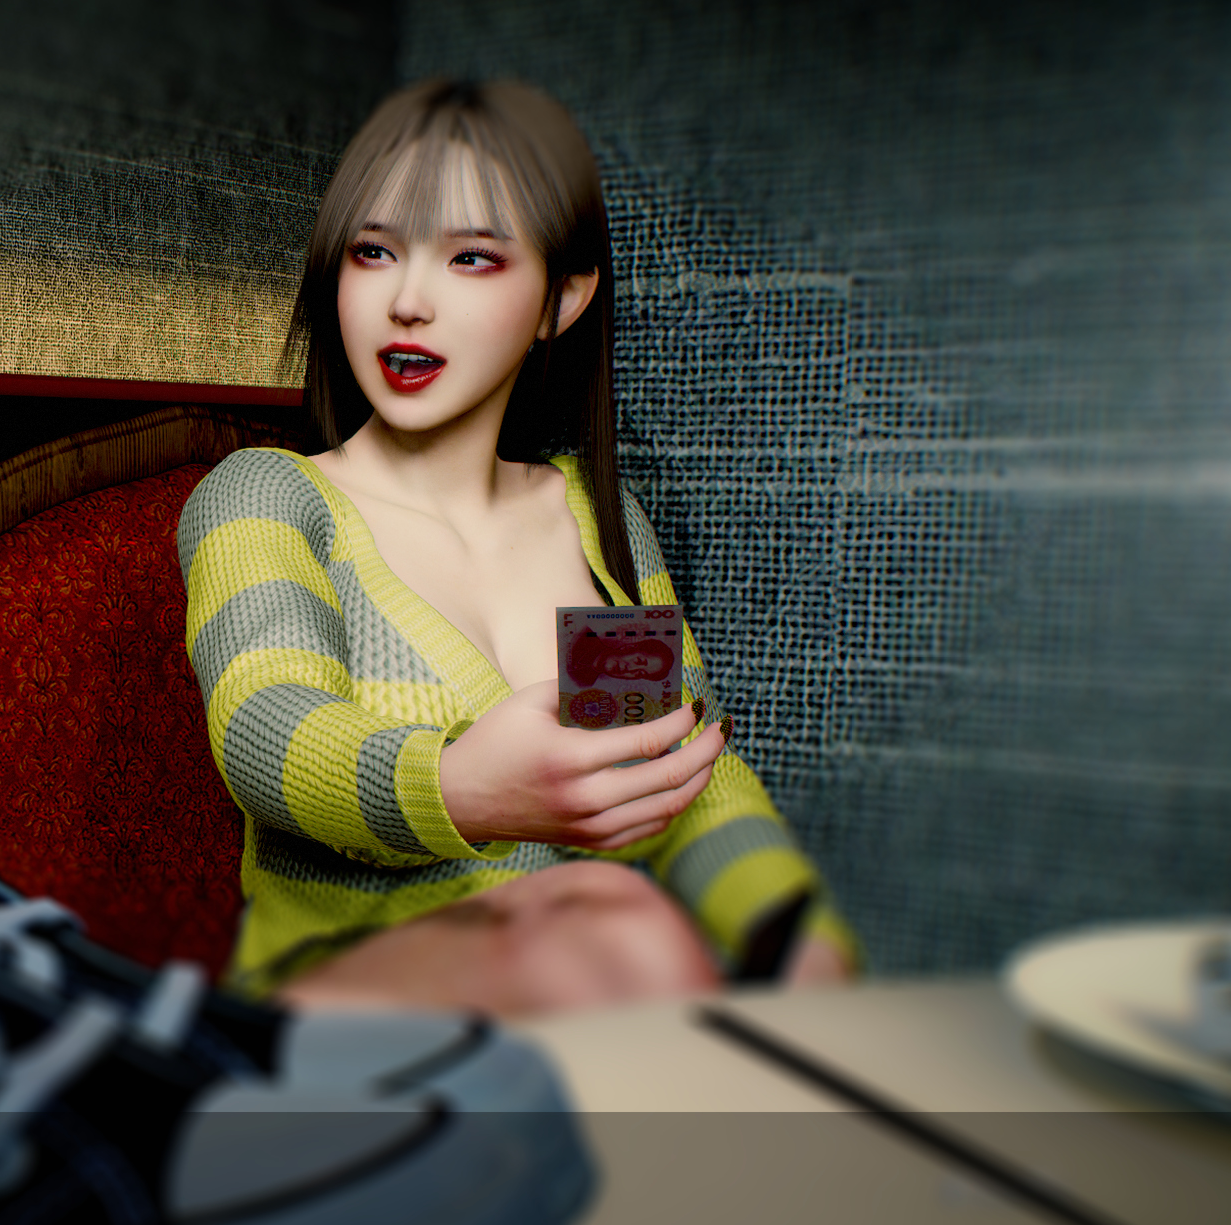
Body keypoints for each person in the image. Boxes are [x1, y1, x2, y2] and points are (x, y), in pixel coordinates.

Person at [178, 78, 856, 1015]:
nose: (407, 301)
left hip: (585, 988)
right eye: (374, 251)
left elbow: (686, 773)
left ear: (561, 299)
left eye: (471, 258)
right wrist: (460, 788)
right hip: (330, 1005)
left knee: (630, 942)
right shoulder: (267, 496)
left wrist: (795, 934)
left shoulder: (594, 519)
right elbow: (267, 729)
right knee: (615, 930)